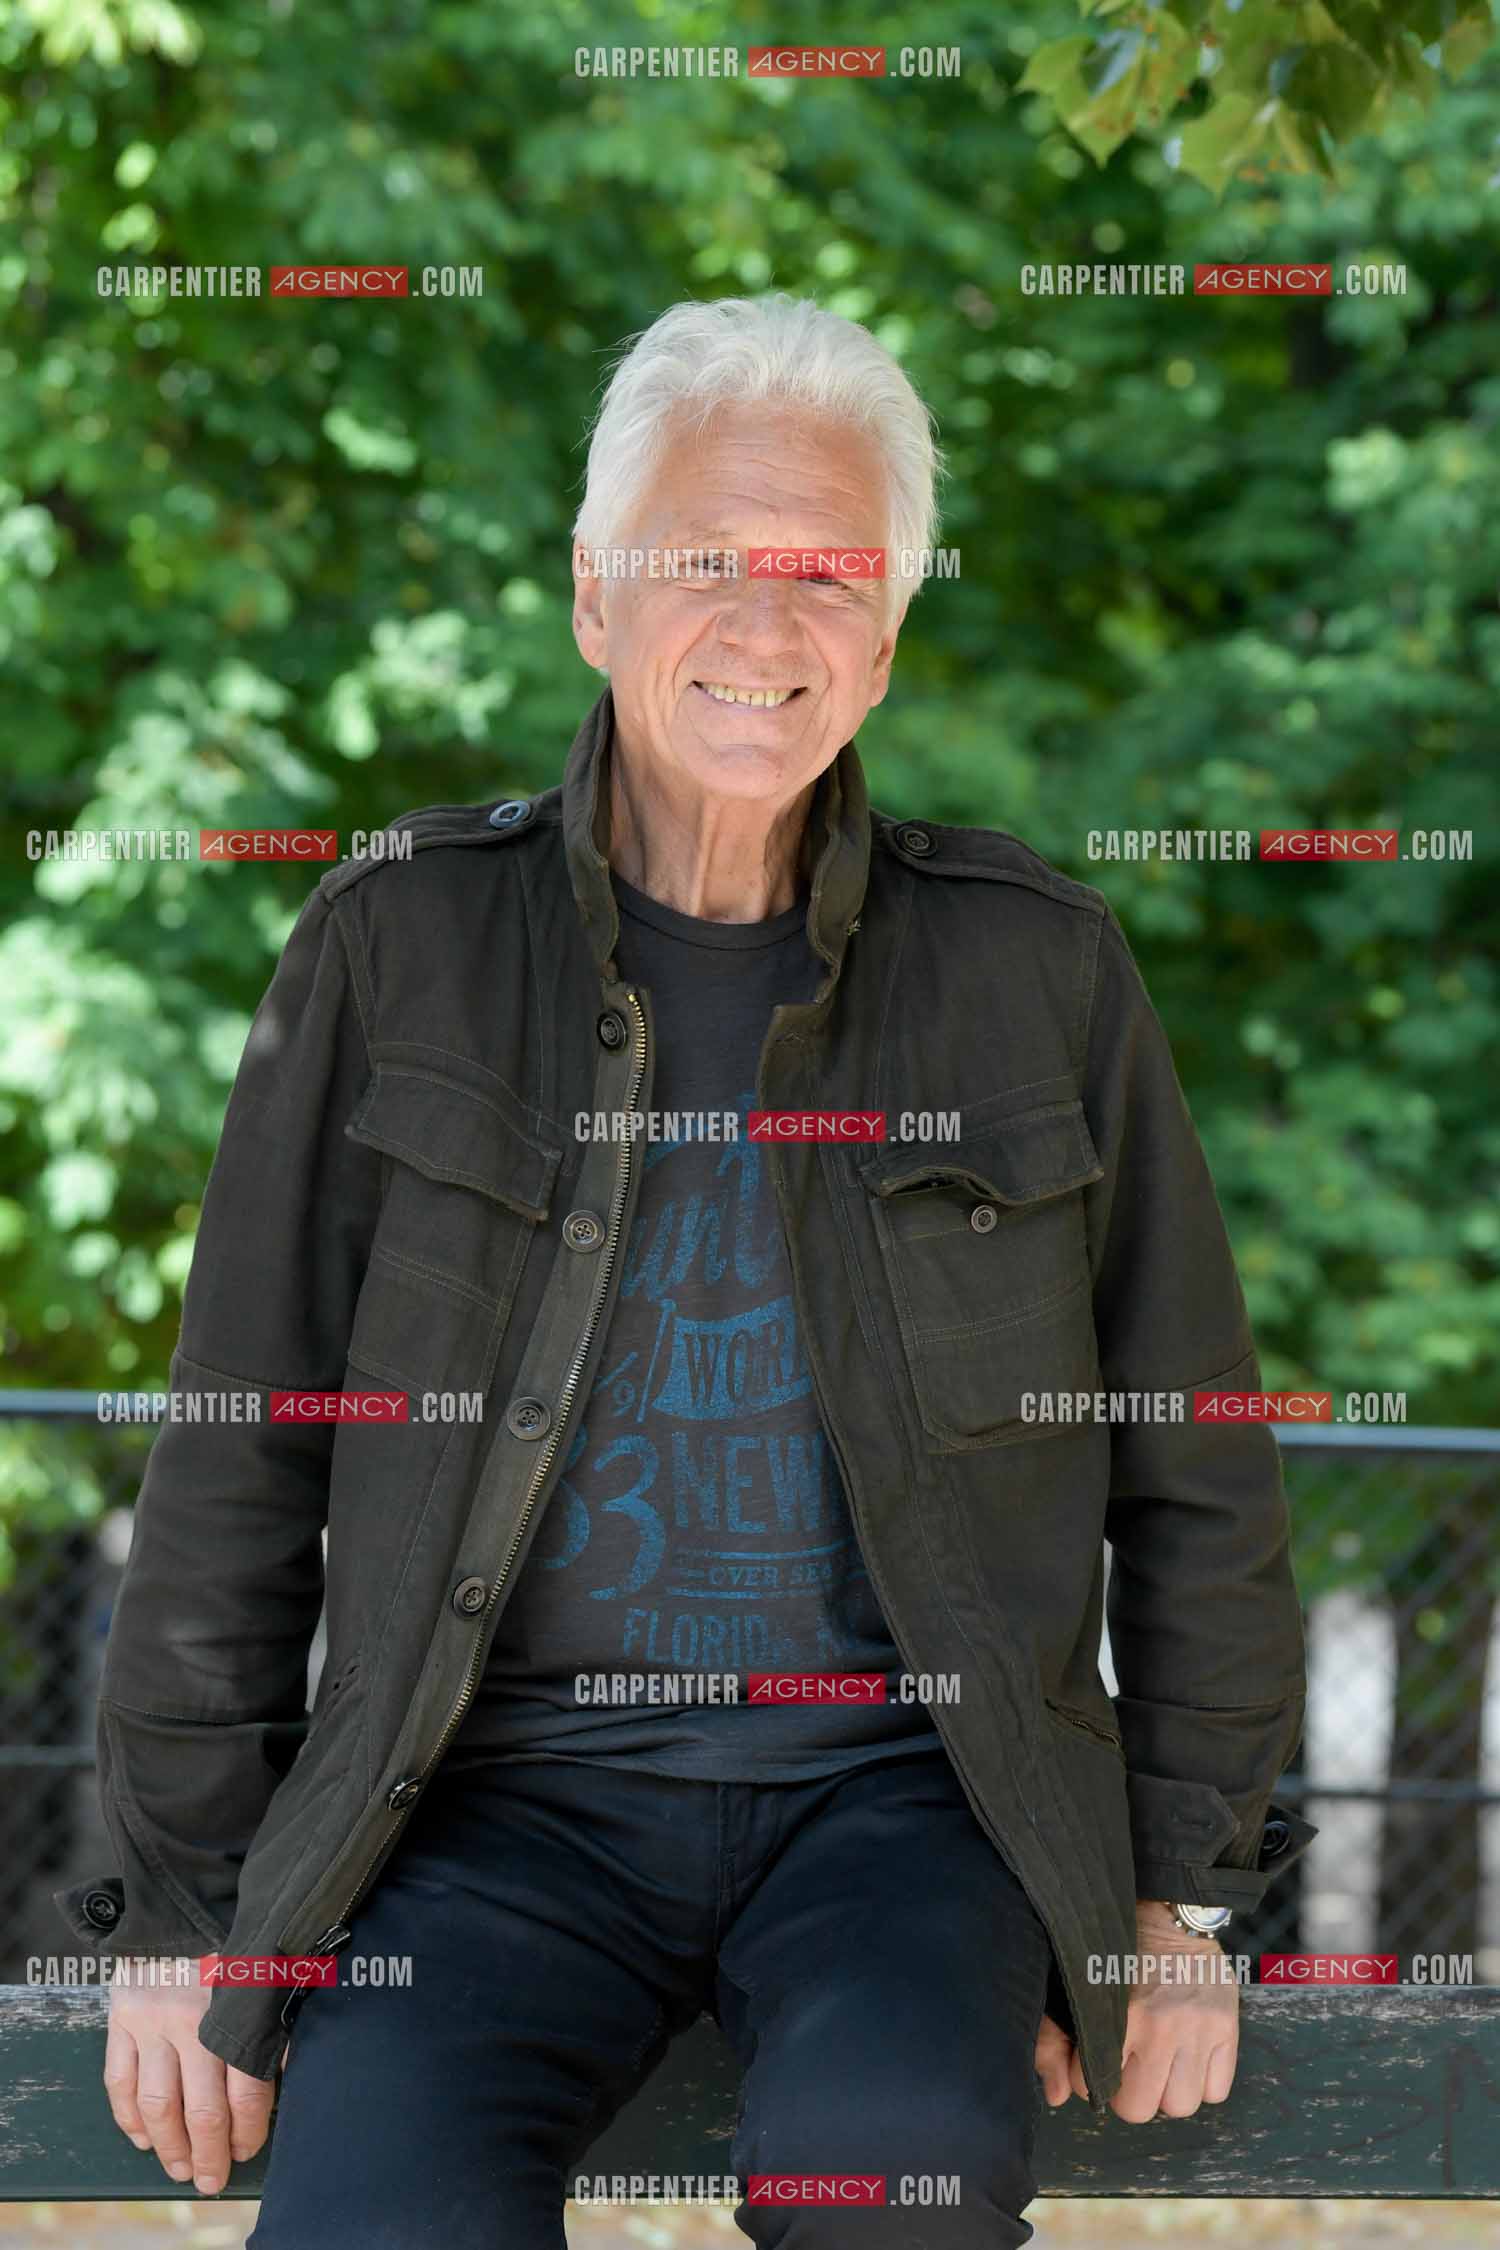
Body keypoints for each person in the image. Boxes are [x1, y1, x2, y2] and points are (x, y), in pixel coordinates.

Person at [61, 293, 1316, 2247]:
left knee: (896, 2190)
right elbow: (241, 1440)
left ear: (884, 644)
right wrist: (184, 1905)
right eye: (706, 559)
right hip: (486, 1811)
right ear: (594, 594)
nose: (765, 623)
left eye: (829, 576)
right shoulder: (399, 946)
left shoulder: (1035, 970)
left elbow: (1194, 1460)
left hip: (906, 1814)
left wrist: (1184, 1897)